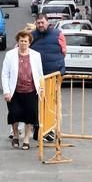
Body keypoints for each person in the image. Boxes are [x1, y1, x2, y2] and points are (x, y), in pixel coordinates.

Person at [1, 30, 44, 150]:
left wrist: (41, 89)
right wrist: (6, 91)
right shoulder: (10, 55)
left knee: (29, 115)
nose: (23, 43)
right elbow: (5, 74)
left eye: (26, 41)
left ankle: (26, 139)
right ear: (18, 42)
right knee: (14, 114)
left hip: (31, 90)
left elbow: (40, 74)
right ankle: (15, 136)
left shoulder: (36, 55)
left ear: (30, 42)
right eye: (21, 41)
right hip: (15, 91)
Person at [30, 13, 66, 141]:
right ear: (35, 23)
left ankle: (50, 129)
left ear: (47, 22)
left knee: (52, 104)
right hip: (36, 78)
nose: (40, 25)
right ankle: (38, 128)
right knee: (37, 104)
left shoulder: (58, 34)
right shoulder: (31, 36)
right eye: (38, 23)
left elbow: (64, 51)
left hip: (53, 77)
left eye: (42, 22)